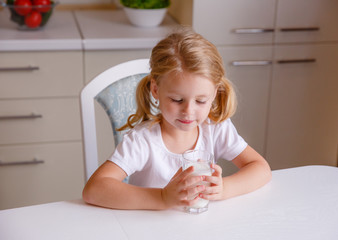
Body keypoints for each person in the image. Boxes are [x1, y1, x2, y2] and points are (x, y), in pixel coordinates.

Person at [82, 28, 271, 210]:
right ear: (155, 90)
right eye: (177, 100)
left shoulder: (216, 128)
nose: (188, 111)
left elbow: (260, 168)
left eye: (200, 100)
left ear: (214, 93)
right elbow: (94, 190)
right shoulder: (143, 140)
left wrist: (224, 189)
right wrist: (163, 198)